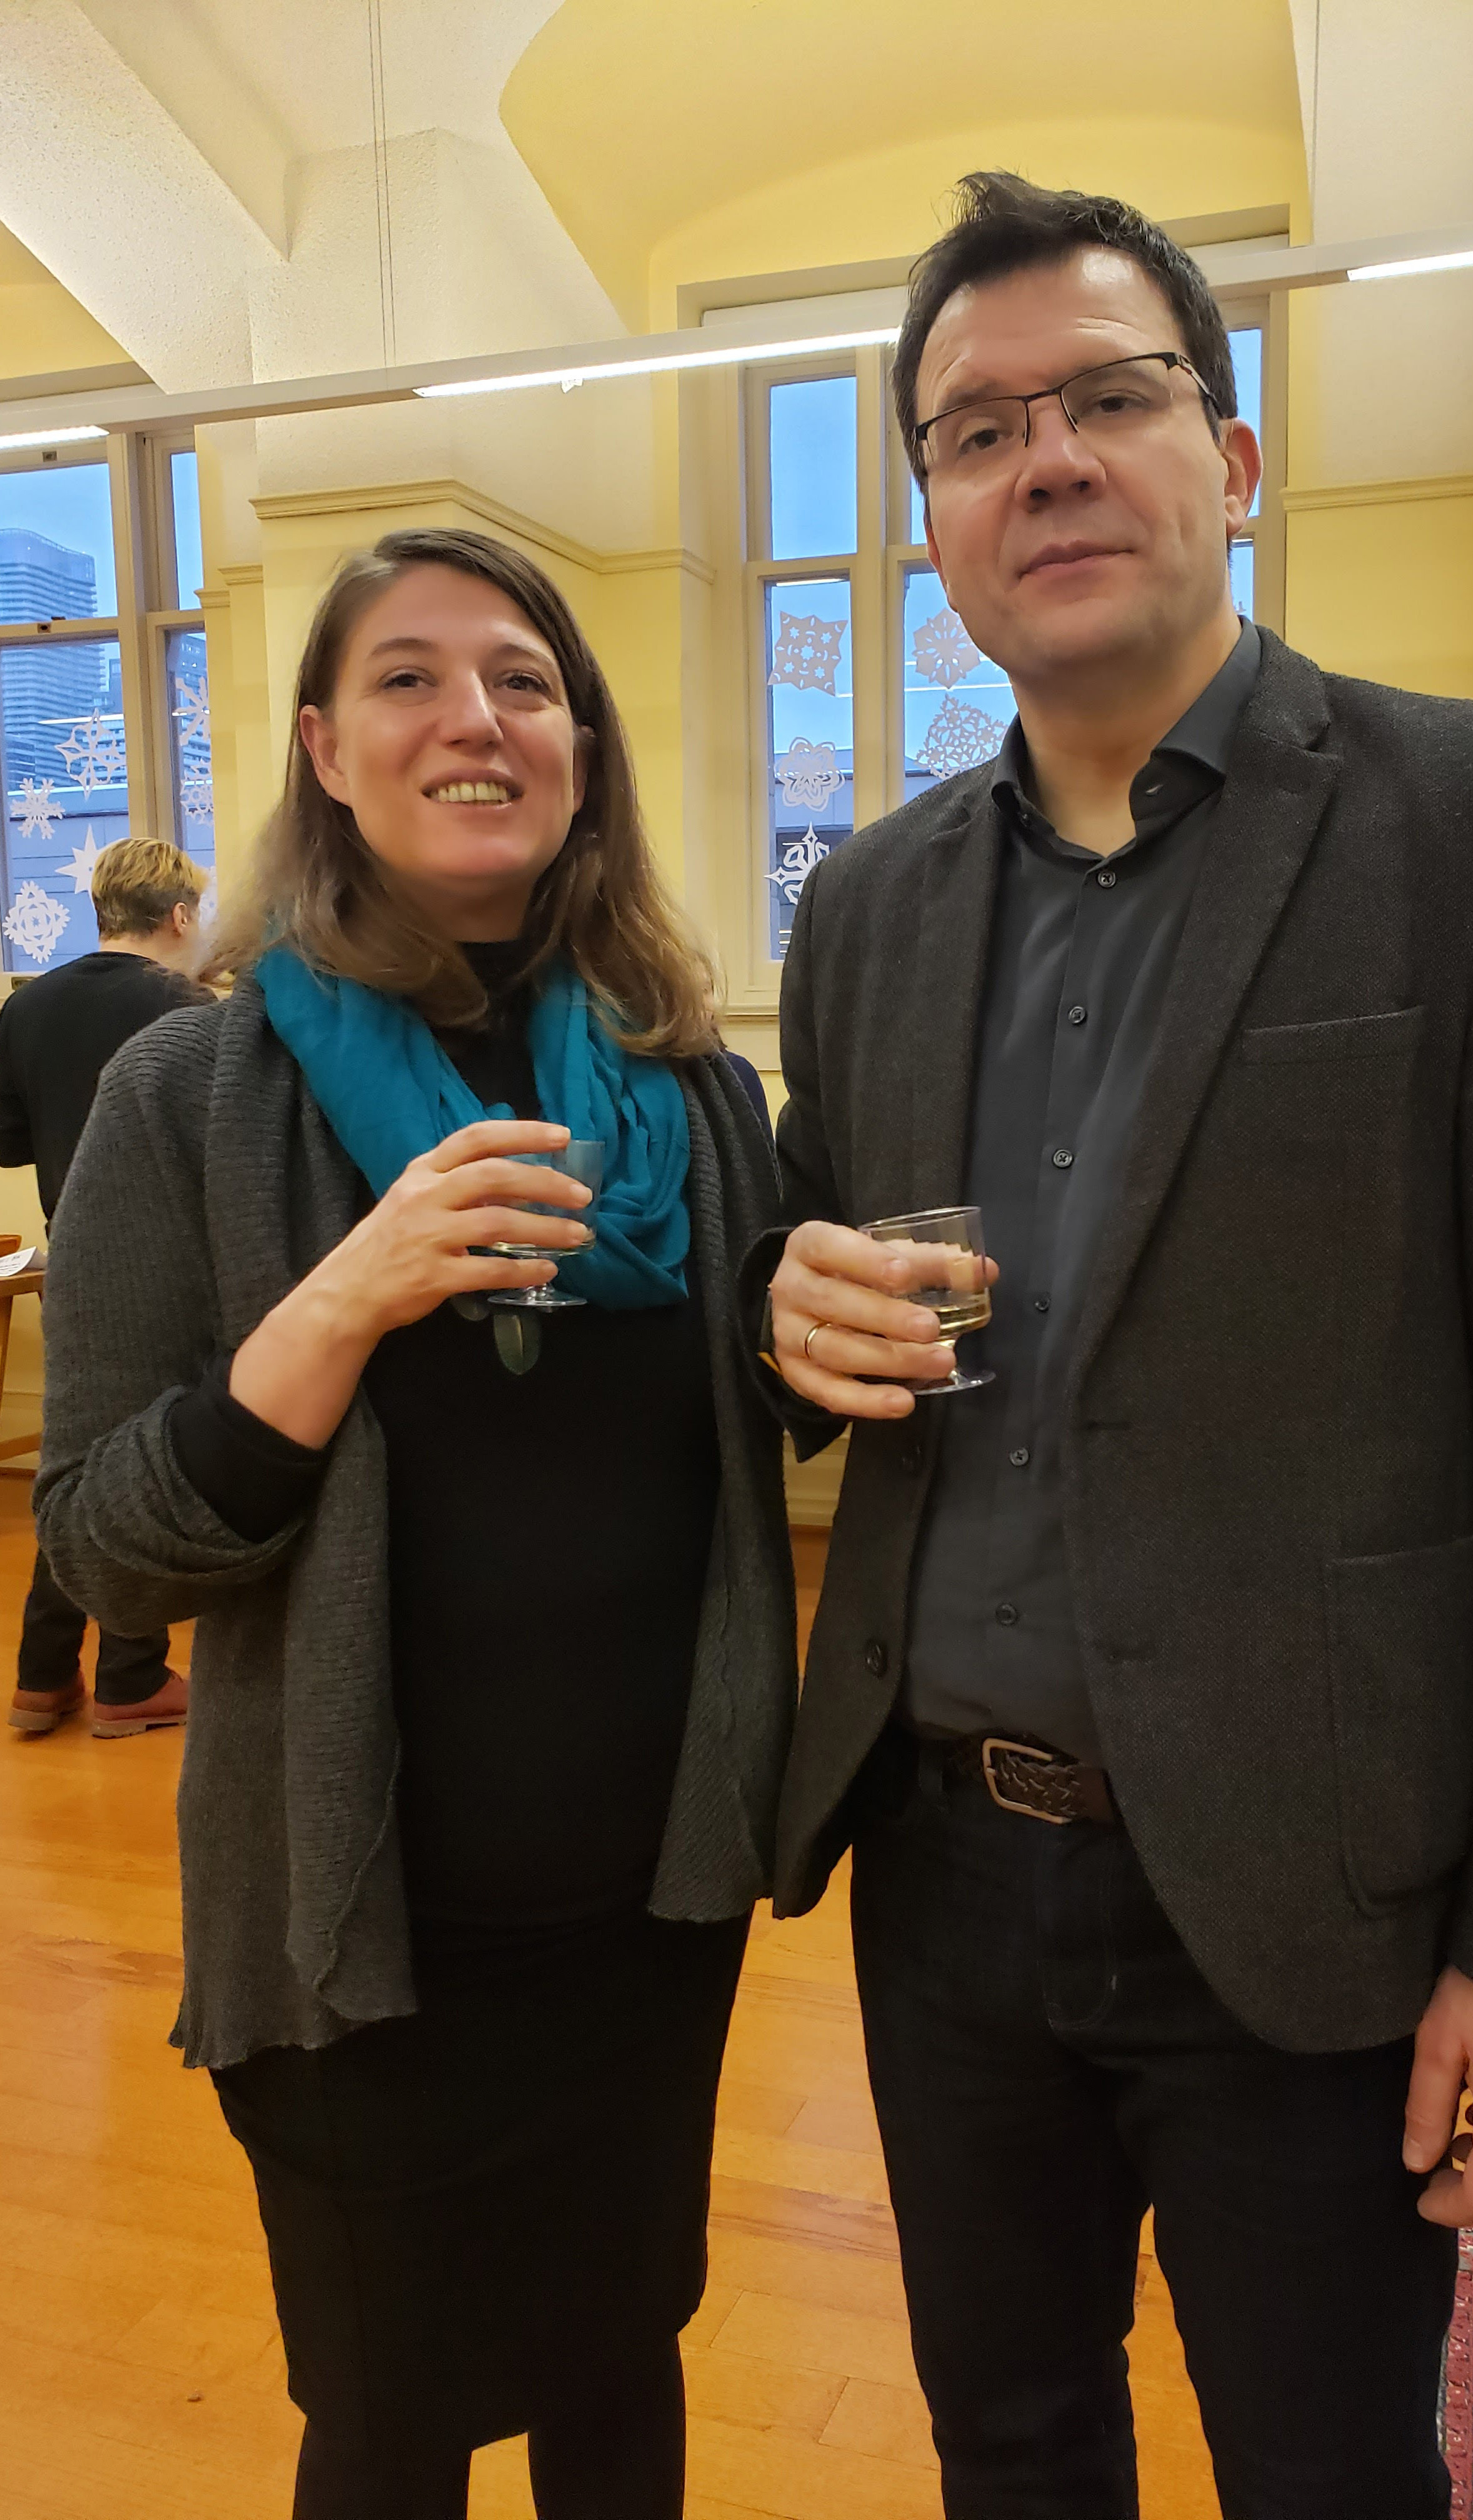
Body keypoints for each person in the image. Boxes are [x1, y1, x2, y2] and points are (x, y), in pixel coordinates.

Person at [751, 172, 1473, 2520]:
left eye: (1104, 397)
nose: (1042, 458)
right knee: (1010, 2441)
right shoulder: (866, 906)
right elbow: (824, 1318)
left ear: (1231, 455)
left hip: (1317, 1890)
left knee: (1320, 2467)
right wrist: (787, 1313)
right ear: (930, 528)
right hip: (944, 1874)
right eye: (973, 433)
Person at [36, 528, 797, 2520]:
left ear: (580, 751)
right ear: (326, 749)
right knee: (389, 2419)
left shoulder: (689, 1096)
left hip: (650, 1908)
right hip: (358, 1923)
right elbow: (107, 1551)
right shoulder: (186, 1099)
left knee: (621, 2366)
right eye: (411, 678)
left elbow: (735, 1444)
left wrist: (830, 1329)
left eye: (526, 682)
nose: (477, 717)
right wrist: (341, 1300)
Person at [2, 835, 211, 1739]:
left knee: (77, 1462)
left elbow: (8, 1141)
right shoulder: (191, 1011)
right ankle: (129, 1678)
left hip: (72, 1251)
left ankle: (44, 1678)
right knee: (145, 1461)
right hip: (171, 1262)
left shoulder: (29, 1005)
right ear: (179, 916)